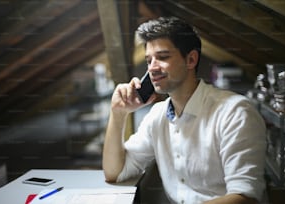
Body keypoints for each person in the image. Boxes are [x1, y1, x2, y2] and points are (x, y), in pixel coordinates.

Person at [102, 16, 266, 204]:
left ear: (191, 59)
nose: (152, 68)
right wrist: (118, 114)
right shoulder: (157, 115)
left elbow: (245, 197)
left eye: (162, 57)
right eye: (149, 60)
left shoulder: (235, 113)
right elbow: (115, 173)